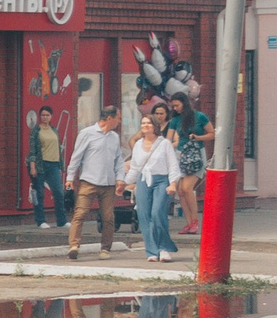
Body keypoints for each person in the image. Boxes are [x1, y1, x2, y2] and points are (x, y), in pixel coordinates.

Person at [65, 106, 126, 259]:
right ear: (110, 118)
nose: (119, 121)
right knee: (80, 213)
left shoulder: (114, 137)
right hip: (89, 181)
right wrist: (70, 178)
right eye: (118, 117)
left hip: (108, 183)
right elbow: (76, 157)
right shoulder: (87, 134)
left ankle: (105, 248)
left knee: (108, 217)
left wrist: (120, 178)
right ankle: (74, 245)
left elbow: (118, 159)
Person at [124, 115, 183, 262]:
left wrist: (173, 183)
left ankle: (164, 248)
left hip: (162, 181)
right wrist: (124, 184)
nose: (145, 125)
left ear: (155, 126)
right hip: (143, 181)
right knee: (144, 216)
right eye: (143, 123)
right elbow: (135, 168)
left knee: (157, 213)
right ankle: (152, 251)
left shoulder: (164, 144)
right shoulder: (138, 145)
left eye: (148, 123)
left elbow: (173, 165)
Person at [167, 94, 212, 236]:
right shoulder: (175, 119)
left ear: (184, 104)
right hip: (181, 155)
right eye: (173, 106)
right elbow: (168, 139)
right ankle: (189, 222)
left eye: (177, 105)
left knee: (187, 188)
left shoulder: (200, 117)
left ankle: (195, 221)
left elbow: (212, 133)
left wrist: (199, 137)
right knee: (181, 191)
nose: (175, 108)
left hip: (196, 155)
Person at [28, 106, 65, 229]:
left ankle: (62, 220)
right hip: (40, 165)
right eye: (43, 115)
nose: (45, 117)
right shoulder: (36, 131)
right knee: (39, 194)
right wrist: (33, 167)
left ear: (51, 116)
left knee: (59, 192)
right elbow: (32, 150)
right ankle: (40, 221)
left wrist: (60, 165)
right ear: (40, 116)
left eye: (47, 115)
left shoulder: (54, 130)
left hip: (54, 165)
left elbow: (58, 149)